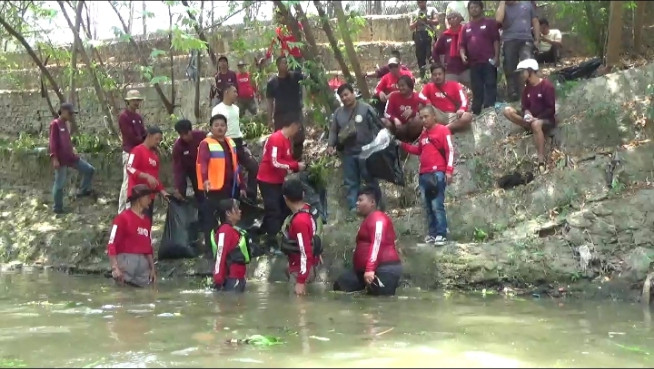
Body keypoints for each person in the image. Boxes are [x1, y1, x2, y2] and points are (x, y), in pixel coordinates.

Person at [399, 105, 454, 246]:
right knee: (428, 206)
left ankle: (441, 234)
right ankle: (432, 233)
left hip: (437, 173)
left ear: (433, 116)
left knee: (437, 204)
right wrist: (402, 145)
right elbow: (418, 150)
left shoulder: (443, 130)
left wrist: (448, 170)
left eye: (426, 116)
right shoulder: (423, 134)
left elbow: (450, 150)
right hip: (424, 174)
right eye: (421, 117)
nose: (423, 120)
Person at [333, 186, 402, 296]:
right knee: (341, 285)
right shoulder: (369, 219)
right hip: (363, 271)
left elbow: (377, 243)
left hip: (383, 269)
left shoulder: (378, 219)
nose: (357, 203)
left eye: (360, 200)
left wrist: (370, 269)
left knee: (380, 302)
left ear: (372, 202)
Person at [327, 84, 382, 216]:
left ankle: (376, 205)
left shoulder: (366, 108)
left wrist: (378, 145)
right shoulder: (338, 113)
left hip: (367, 151)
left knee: (370, 180)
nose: (345, 98)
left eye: (347, 94)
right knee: (351, 181)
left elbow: (376, 126)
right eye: (342, 96)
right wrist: (330, 145)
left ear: (353, 93)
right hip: (348, 152)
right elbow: (334, 130)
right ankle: (353, 208)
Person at [197, 114, 246, 258]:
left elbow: (237, 166)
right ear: (211, 127)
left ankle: (227, 248)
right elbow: (203, 163)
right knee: (210, 221)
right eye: (216, 125)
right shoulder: (206, 143)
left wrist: (242, 185)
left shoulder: (231, 142)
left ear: (226, 127)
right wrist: (205, 179)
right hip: (212, 190)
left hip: (229, 188)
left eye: (222, 125)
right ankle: (210, 251)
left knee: (228, 219)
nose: (220, 127)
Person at [257, 120, 305, 254]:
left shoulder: (286, 140)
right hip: (267, 180)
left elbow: (285, 159)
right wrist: (294, 166)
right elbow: (274, 162)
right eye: (298, 128)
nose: (298, 131)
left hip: (278, 180)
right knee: (274, 210)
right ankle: (271, 243)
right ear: (293, 124)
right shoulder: (276, 138)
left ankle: (265, 230)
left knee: (283, 208)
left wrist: (295, 165)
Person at [502, 59, 556, 174]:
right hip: (531, 119)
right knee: (507, 111)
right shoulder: (527, 88)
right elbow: (524, 106)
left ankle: (541, 160)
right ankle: (529, 126)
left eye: (523, 72)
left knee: (536, 124)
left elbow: (551, 109)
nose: (521, 75)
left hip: (545, 120)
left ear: (530, 71)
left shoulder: (546, 86)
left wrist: (537, 118)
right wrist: (527, 113)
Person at [212, 85, 260, 201]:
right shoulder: (218, 109)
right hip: (225, 143)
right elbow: (215, 128)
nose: (237, 94)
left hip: (238, 142)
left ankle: (251, 196)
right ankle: (233, 199)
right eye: (234, 92)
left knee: (254, 167)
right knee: (232, 171)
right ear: (226, 92)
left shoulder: (236, 109)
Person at [49, 103, 95, 215]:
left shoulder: (66, 125)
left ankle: (82, 191)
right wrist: (54, 158)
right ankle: (57, 208)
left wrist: (73, 149)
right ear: (63, 111)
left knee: (89, 170)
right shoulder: (55, 124)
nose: (71, 116)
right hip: (61, 159)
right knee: (59, 184)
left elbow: (67, 141)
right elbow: (53, 143)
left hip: (70, 157)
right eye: (70, 113)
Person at [107, 184, 157, 287]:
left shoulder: (147, 221)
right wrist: (115, 267)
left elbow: (149, 247)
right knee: (122, 296)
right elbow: (111, 243)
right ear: (139, 199)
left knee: (145, 297)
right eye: (147, 197)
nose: (150, 200)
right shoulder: (122, 218)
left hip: (143, 266)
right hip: (126, 262)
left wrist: (152, 269)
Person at [280, 178, 321, 296]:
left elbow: (304, 251)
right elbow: (315, 234)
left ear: (285, 198)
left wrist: (300, 281)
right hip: (306, 266)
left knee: (297, 309)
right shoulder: (309, 210)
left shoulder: (299, 221)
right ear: (303, 194)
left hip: (300, 270)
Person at [460, 0, 501, 115]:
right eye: (471, 7)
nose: (474, 9)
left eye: (476, 7)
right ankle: (476, 110)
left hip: (488, 61)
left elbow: (496, 41)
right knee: (476, 87)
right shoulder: (466, 27)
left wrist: (497, 57)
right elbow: (462, 45)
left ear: (481, 8)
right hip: (473, 63)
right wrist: (463, 55)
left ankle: (490, 109)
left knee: (490, 84)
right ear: (469, 10)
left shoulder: (490, 23)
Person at [496, 0, 539, 101]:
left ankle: (532, 89)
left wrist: (537, 39)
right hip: (509, 40)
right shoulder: (503, 7)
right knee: (510, 66)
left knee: (528, 65)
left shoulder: (527, 4)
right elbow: (498, 20)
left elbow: (535, 21)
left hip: (526, 39)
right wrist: (502, 2)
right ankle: (513, 92)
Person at [266, 56, 306, 160]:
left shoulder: (296, 77)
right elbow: (270, 101)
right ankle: (281, 161)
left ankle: (297, 159)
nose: (286, 65)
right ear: (278, 65)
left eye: (287, 63)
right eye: (284, 63)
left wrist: (305, 102)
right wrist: (269, 119)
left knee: (299, 137)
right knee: (281, 139)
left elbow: (307, 81)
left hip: (295, 112)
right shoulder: (272, 82)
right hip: (280, 114)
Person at [126, 126, 169, 219]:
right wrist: (145, 176)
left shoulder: (155, 156)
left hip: (149, 198)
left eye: (160, 139)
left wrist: (163, 191)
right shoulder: (136, 150)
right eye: (156, 138)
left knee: (146, 226)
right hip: (137, 196)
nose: (158, 142)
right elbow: (129, 168)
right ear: (149, 136)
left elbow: (155, 178)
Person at [212, 198, 251, 293]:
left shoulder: (232, 230)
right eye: (236, 209)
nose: (240, 211)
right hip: (231, 280)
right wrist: (218, 278)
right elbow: (220, 254)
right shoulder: (225, 230)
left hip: (237, 279)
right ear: (228, 213)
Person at [419, 63, 473, 133]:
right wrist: (427, 101)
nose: (437, 77)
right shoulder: (429, 87)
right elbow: (420, 96)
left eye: (439, 74)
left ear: (444, 74)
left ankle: (444, 129)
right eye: (435, 75)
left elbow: (464, 100)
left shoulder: (454, 85)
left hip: (451, 115)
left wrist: (462, 109)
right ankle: (436, 129)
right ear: (432, 76)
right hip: (436, 115)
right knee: (422, 105)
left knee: (467, 117)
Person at [118, 89, 146, 213]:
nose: (136, 103)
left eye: (137, 100)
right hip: (130, 152)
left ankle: (132, 208)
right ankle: (122, 209)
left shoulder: (138, 117)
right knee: (128, 181)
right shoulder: (124, 117)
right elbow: (129, 136)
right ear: (128, 102)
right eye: (133, 100)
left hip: (139, 152)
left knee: (136, 181)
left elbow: (143, 132)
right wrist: (143, 141)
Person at [383, 75, 428, 143]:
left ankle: (411, 141)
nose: (401, 88)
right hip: (396, 126)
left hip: (410, 127)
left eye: (403, 85)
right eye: (399, 86)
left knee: (417, 120)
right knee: (383, 121)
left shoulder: (417, 96)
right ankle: (391, 141)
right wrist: (394, 119)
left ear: (410, 86)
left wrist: (414, 112)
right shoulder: (393, 96)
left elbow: (429, 104)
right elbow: (386, 113)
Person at [172, 119, 207, 202]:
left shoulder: (201, 136)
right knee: (198, 193)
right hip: (190, 170)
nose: (184, 137)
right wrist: (178, 187)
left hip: (205, 168)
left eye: (186, 134)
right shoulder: (178, 146)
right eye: (181, 135)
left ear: (191, 130)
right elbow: (178, 169)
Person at [433, 11, 470, 87]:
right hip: (450, 69)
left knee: (473, 89)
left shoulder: (466, 32)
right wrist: (439, 65)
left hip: (466, 68)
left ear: (460, 19)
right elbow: (436, 50)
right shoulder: (445, 35)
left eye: (455, 17)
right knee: (450, 90)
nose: (452, 20)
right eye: (450, 18)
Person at [410, 0, 439, 79]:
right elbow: (411, 26)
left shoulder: (432, 9)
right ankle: (423, 78)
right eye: (419, 2)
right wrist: (417, 22)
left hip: (429, 35)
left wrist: (427, 20)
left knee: (432, 56)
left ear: (426, 1)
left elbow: (437, 22)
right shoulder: (414, 13)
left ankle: (435, 76)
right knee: (420, 58)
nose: (420, 4)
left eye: (422, 2)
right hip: (418, 35)